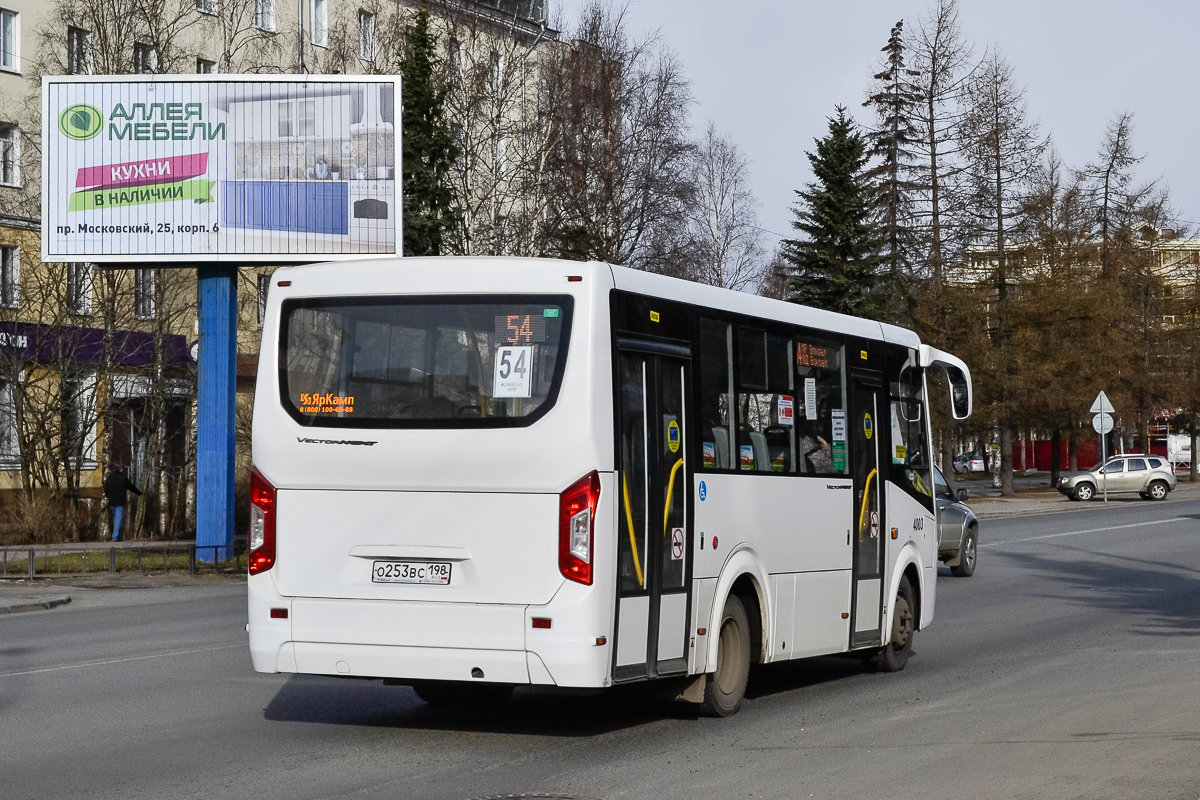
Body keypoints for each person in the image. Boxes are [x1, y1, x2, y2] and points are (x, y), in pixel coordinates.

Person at [104, 467, 142, 542]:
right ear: (120, 470)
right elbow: (131, 487)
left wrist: (109, 497)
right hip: (120, 501)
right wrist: (139, 493)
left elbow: (106, 490)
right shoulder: (122, 479)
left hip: (112, 502)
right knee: (118, 518)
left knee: (115, 518)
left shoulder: (109, 479)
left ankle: (117, 536)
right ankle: (115, 537)